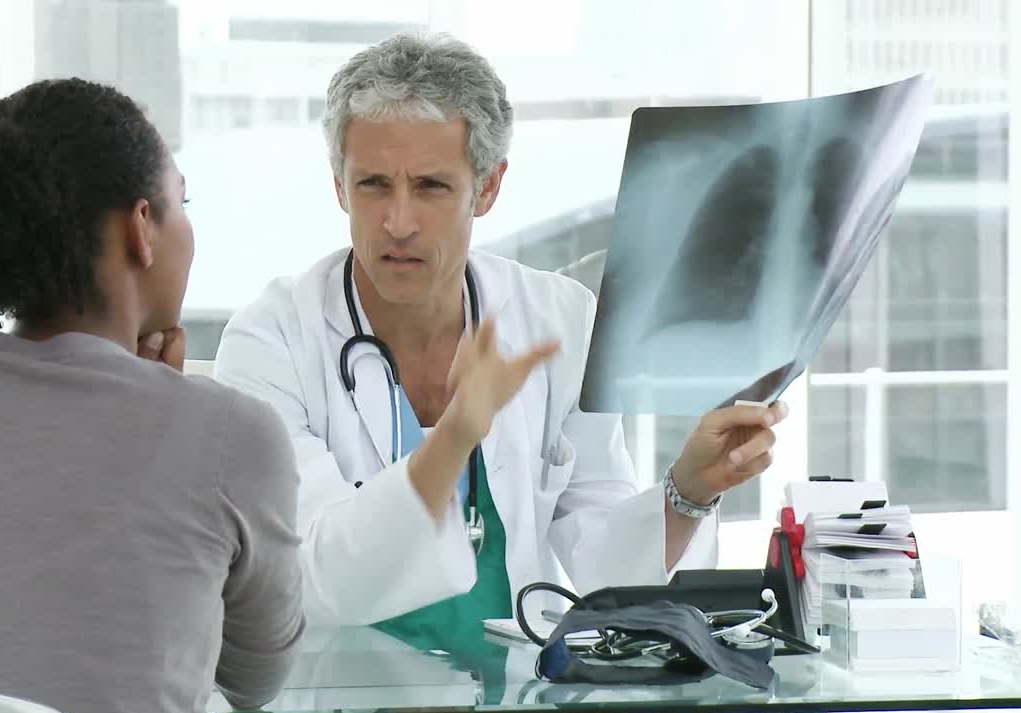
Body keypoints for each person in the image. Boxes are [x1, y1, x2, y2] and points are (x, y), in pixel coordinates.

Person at [214, 33, 787, 635]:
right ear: (339, 185)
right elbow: (313, 578)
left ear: (487, 187)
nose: (398, 223)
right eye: (373, 184)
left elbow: (606, 572)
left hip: (516, 680)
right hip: (341, 679)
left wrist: (689, 490)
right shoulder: (272, 342)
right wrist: (456, 436)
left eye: (431, 186)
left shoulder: (557, 321)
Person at [0, 79, 303, 713]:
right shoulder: (230, 433)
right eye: (182, 201)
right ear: (142, 228)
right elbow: (256, 680)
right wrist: (168, 408)